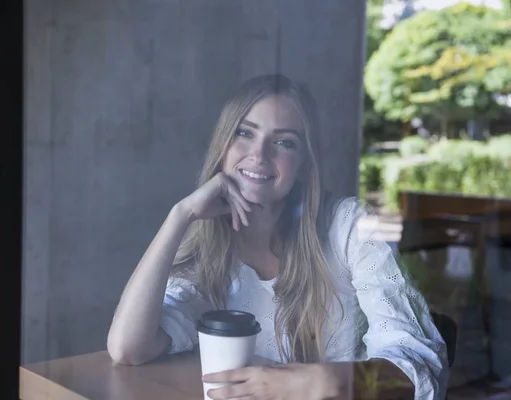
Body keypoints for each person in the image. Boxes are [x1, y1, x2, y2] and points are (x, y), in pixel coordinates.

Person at [107, 74, 449, 399]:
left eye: (284, 142)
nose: (259, 154)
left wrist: (316, 383)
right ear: (223, 146)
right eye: (244, 133)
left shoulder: (349, 228)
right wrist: (180, 215)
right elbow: (128, 348)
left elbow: (416, 369)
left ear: (303, 163)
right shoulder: (210, 253)